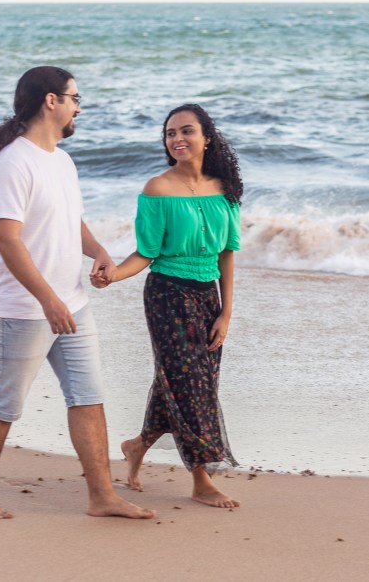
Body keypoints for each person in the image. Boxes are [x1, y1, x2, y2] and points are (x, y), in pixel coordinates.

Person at [0, 66, 155, 520]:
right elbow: (7, 239)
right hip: (22, 309)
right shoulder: (11, 164)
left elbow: (70, 221)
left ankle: (102, 497)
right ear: (51, 100)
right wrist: (48, 300)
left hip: (73, 304)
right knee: (5, 403)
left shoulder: (62, 161)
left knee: (88, 396)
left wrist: (99, 251)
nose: (78, 108)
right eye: (74, 98)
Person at [91, 103, 243, 509]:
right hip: (168, 296)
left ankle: (138, 445)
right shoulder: (157, 188)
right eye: (170, 133)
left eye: (186, 130)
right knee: (191, 385)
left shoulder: (224, 189)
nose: (177, 138)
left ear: (206, 138)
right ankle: (201, 481)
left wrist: (226, 312)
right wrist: (113, 275)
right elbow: (146, 252)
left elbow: (227, 253)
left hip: (208, 296)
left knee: (187, 380)